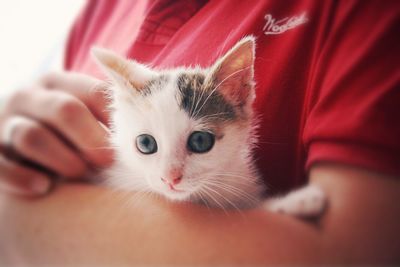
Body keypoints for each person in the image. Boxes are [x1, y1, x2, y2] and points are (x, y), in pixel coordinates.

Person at [0, 0, 399, 265]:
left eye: (200, 141)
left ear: (240, 96)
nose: (170, 176)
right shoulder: (99, 11)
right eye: (147, 145)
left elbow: (352, 254)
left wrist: (19, 218)